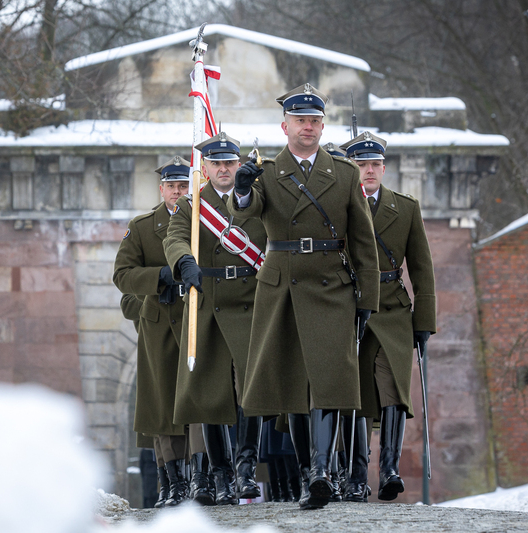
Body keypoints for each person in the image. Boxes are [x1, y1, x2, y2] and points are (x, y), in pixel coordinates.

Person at [226, 83, 380, 510]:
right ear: (285, 125)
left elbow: (364, 242)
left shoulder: (345, 173)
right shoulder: (268, 171)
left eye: (314, 121)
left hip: (331, 284)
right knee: (292, 381)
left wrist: (368, 299)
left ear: (321, 124)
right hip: (283, 284)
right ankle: (309, 472)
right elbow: (247, 210)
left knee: (329, 380)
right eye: (300, 121)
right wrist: (241, 188)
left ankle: (320, 470)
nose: (308, 128)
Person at [163, 133, 268, 506]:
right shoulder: (193, 206)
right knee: (210, 393)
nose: (224, 170)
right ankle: (221, 475)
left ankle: (245, 469)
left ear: (238, 164)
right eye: (216, 163)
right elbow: (174, 238)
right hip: (208, 305)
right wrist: (183, 260)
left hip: (249, 304)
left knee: (250, 392)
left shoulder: (254, 197)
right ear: (204, 168)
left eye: (230, 162)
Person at [338, 131, 436, 502]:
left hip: (393, 309)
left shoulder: (405, 208)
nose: (369, 171)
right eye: (361, 164)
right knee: (357, 392)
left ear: (384, 166)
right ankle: (357, 474)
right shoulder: (339, 207)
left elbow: (422, 269)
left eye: (375, 164)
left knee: (394, 389)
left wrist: (424, 321)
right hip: (353, 306)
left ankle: (390, 469)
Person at [112, 157, 192, 507]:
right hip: (159, 324)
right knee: (161, 407)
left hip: (195, 319)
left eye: (184, 185)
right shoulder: (143, 227)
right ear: (161, 189)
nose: (178, 191)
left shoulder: (205, 223)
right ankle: (172, 481)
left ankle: (199, 477)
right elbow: (123, 275)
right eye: (172, 186)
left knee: (199, 401)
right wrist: (159, 276)